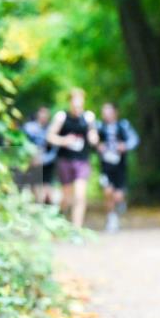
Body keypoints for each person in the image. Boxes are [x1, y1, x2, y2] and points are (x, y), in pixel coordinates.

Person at [47, 88, 99, 228]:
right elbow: (50, 137)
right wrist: (64, 140)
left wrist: (93, 138)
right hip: (65, 161)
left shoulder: (88, 117)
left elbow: (94, 136)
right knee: (67, 198)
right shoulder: (61, 117)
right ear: (70, 102)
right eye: (75, 104)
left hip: (82, 160)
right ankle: (60, 219)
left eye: (80, 104)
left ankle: (77, 229)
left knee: (80, 196)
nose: (77, 108)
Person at [96, 102, 140, 233]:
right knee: (107, 192)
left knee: (118, 195)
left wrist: (125, 146)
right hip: (105, 166)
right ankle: (111, 218)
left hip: (120, 166)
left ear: (115, 112)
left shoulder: (123, 125)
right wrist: (98, 146)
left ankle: (120, 203)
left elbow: (134, 139)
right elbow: (92, 142)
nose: (106, 115)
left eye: (108, 111)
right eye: (104, 112)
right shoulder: (99, 127)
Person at [22, 106, 57, 204]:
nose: (43, 116)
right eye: (41, 113)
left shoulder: (51, 129)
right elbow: (22, 144)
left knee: (47, 192)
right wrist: (30, 158)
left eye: (45, 114)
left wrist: (43, 159)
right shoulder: (29, 127)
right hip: (31, 163)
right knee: (35, 189)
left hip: (47, 164)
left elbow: (54, 150)